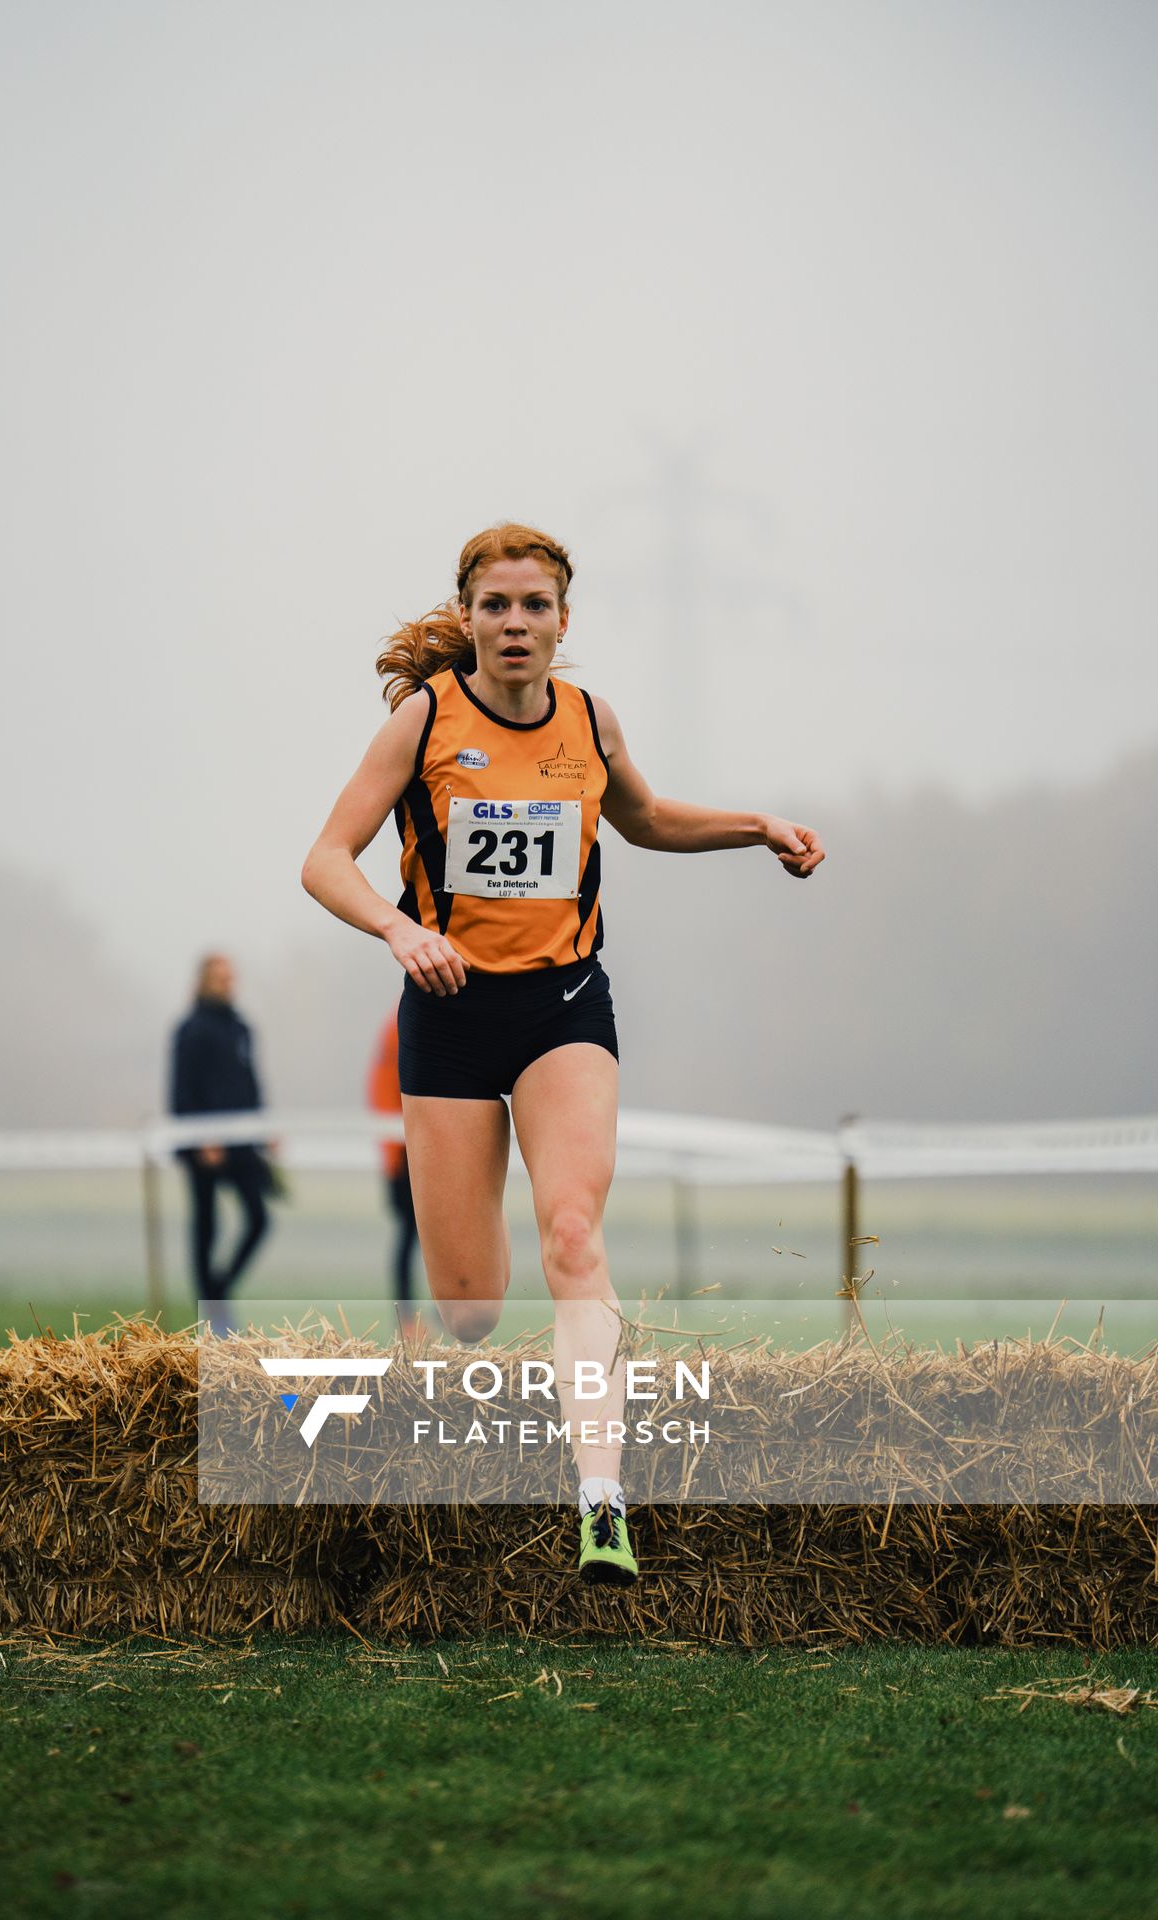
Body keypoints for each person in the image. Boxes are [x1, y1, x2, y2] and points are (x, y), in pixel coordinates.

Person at [300, 522, 824, 1584]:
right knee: (469, 1305)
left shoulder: (589, 720)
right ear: (466, 620)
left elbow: (642, 820)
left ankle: (600, 1495)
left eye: (533, 606)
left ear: (561, 623)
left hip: (563, 1009)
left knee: (575, 1235)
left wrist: (755, 825)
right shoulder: (422, 724)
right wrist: (401, 930)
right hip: (447, 1014)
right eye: (494, 606)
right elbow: (323, 860)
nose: (513, 624)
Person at [170, 953, 273, 1325]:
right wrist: (200, 1138)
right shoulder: (191, 1029)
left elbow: (251, 1083)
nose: (227, 982)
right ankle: (209, 1310)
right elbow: (182, 1089)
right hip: (203, 1144)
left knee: (259, 1219)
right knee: (206, 1225)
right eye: (219, 976)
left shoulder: (241, 1028)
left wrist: (264, 1130)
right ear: (203, 980)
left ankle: (218, 1293)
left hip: (242, 1141)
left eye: (231, 976)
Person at [367, 1004, 421, 1334]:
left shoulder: (402, 1020)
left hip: (408, 1149)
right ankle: (407, 1318)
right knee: (410, 1235)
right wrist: (393, 1151)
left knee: (417, 1237)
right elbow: (384, 1091)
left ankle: (412, 1316)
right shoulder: (402, 1022)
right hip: (403, 1154)